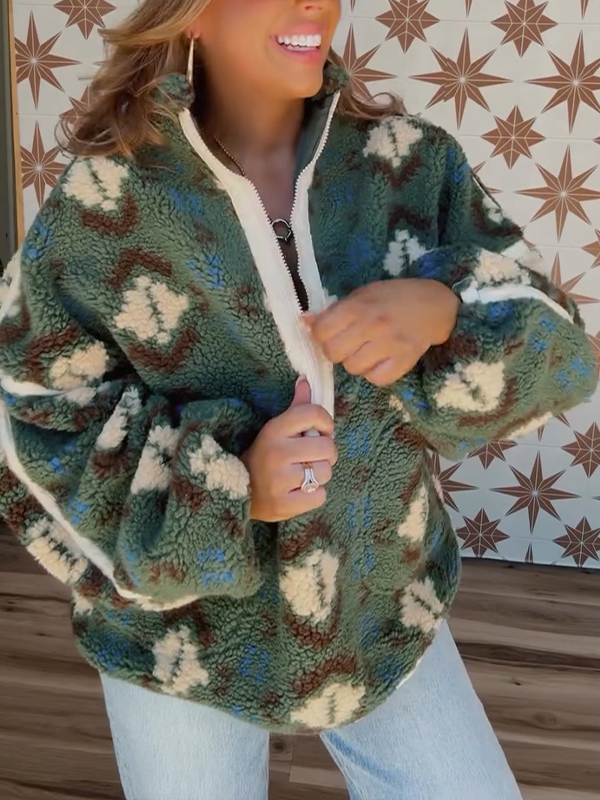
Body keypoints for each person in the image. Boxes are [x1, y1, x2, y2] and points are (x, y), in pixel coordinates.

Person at [0, 0, 595, 797]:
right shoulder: (106, 202)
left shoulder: (410, 166)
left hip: (381, 608)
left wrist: (444, 307)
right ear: (191, 14)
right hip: (182, 641)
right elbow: (36, 417)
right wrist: (230, 489)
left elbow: (561, 349)